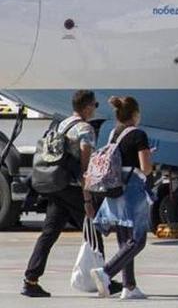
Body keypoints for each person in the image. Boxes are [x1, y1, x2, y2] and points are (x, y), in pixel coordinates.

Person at [21, 91, 122, 298]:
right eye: (94, 104)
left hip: (55, 185)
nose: (95, 108)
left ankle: (30, 280)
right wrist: (87, 200)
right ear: (86, 107)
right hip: (72, 187)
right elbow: (86, 168)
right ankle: (104, 279)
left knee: (49, 233)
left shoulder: (62, 124)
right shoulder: (85, 129)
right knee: (92, 230)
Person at [90, 96, 153, 300]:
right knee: (138, 239)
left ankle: (129, 285)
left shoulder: (113, 133)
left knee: (124, 239)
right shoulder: (139, 135)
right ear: (135, 114)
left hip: (114, 188)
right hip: (132, 189)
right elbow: (146, 168)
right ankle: (106, 272)